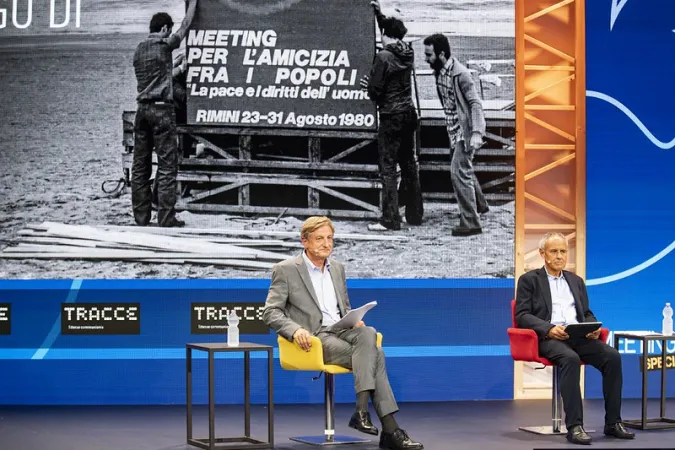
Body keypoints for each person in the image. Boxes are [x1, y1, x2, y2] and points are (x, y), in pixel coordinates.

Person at [263, 216, 423, 450]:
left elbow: (343, 308)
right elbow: (270, 312)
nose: (326, 244)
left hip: (341, 330)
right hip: (316, 338)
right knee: (375, 356)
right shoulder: (286, 270)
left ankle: (362, 413)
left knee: (368, 332)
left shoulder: (337, 268)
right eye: (319, 239)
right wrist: (295, 329)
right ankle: (389, 429)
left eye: (330, 238)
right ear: (304, 241)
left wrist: (353, 319)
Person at [515, 232, 636, 445]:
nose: (560, 256)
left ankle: (613, 422)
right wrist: (549, 328)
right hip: (548, 339)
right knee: (569, 359)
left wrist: (593, 327)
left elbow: (586, 312)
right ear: (543, 254)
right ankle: (575, 426)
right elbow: (522, 315)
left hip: (578, 336)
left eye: (563, 251)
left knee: (613, 357)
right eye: (554, 251)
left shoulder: (576, 281)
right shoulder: (529, 280)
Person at [131, 0, 197, 228]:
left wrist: (174, 68)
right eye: (167, 30)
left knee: (140, 166)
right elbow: (186, 26)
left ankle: (141, 218)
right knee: (168, 166)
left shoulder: (139, 49)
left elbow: (157, 74)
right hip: (161, 110)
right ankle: (166, 218)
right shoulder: (164, 45)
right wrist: (194, 4)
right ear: (164, 29)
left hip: (142, 110)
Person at [360, 0, 423, 232]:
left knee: (387, 168)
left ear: (385, 36)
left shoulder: (383, 57)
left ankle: (390, 219)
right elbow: (390, 29)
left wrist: (367, 85)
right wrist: (379, 15)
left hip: (391, 116)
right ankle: (415, 215)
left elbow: (376, 92)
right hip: (409, 113)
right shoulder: (408, 52)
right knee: (409, 165)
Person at [422, 33, 489, 237]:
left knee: (458, 172)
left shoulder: (461, 75)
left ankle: (471, 223)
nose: (426, 59)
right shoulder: (439, 71)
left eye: (429, 55)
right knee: (464, 169)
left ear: (441, 54)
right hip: (452, 128)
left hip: (464, 132)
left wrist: (477, 132)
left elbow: (475, 103)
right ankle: (481, 205)